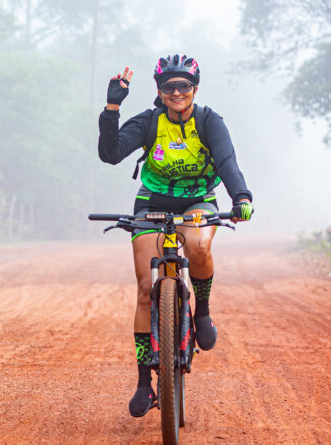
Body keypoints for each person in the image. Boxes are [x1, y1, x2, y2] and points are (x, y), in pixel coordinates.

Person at [97, 54, 254, 417]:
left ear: (195, 89)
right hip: (152, 200)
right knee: (142, 288)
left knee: (198, 244)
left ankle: (202, 313)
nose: (177, 92)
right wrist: (111, 107)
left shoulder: (208, 120)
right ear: (160, 91)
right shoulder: (150, 121)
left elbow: (227, 161)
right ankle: (143, 384)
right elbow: (110, 153)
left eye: (184, 85)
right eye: (169, 86)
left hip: (198, 199)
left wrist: (241, 196)